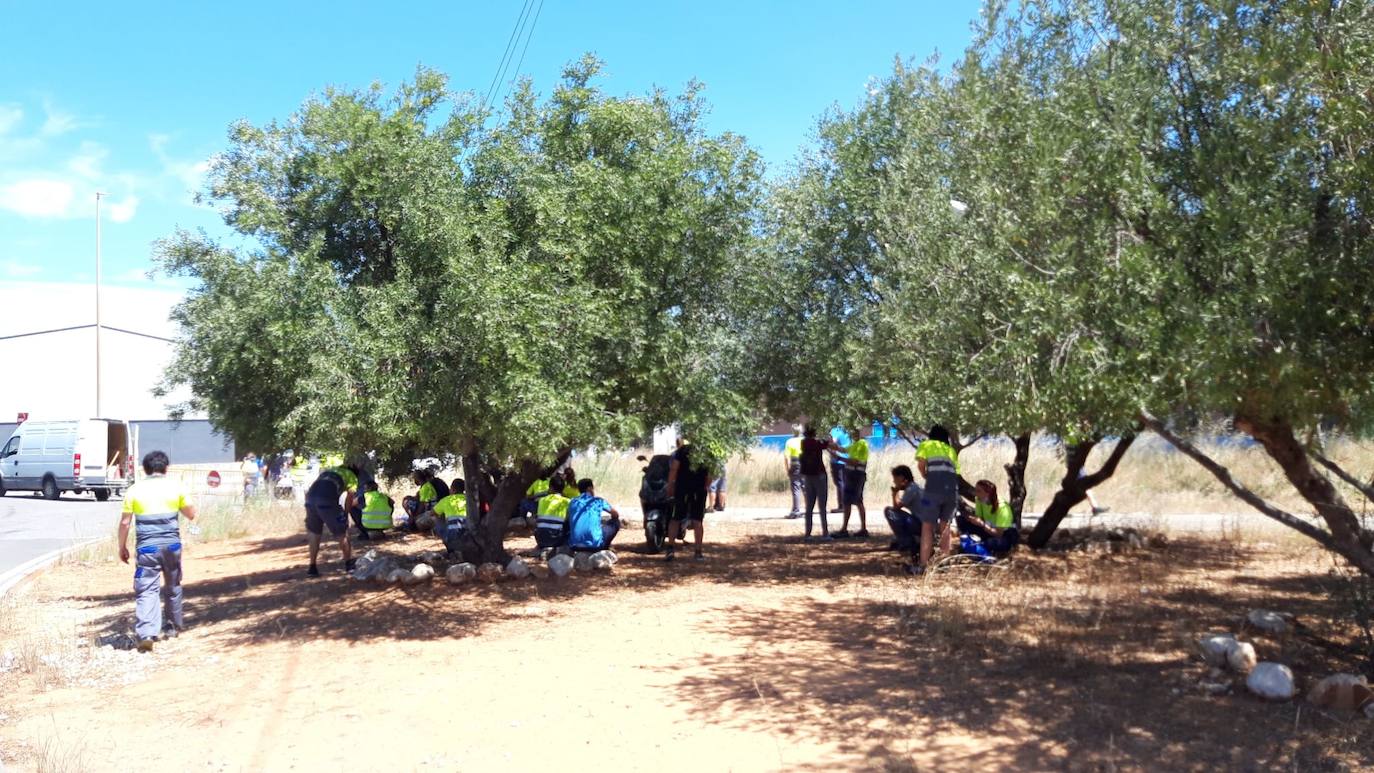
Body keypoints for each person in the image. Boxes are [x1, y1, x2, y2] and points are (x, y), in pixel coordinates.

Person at [118, 450, 198, 653]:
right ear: (166, 468)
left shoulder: (134, 490)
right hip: (172, 547)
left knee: (147, 589)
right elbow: (191, 514)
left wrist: (122, 547)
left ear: (145, 469)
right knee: (173, 585)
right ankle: (172, 627)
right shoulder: (176, 487)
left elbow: (125, 522)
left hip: (147, 548)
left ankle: (146, 634)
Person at [913, 425, 961, 572]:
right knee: (945, 527)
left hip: (933, 490)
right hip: (952, 492)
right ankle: (945, 564)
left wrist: (926, 475)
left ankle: (923, 565)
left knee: (927, 527)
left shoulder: (926, 445)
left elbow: (921, 465)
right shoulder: (951, 450)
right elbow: (956, 472)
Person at [304, 462, 359, 577]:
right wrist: (346, 514)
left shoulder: (329, 471)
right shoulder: (352, 476)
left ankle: (312, 567)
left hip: (310, 499)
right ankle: (349, 564)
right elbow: (350, 497)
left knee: (314, 533)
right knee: (342, 532)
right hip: (327, 500)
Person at [666, 438, 710, 561]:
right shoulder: (707, 452)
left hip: (682, 490)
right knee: (697, 521)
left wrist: (670, 485)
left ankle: (670, 549)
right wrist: (705, 487)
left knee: (675, 518)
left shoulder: (682, 451)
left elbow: (674, 469)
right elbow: (710, 474)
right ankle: (698, 552)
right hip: (698, 491)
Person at [958, 479, 1021, 555]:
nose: (975, 493)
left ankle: (982, 547)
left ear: (988, 493)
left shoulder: (1002, 507)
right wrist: (971, 519)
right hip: (988, 529)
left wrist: (983, 525)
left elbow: (998, 534)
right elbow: (980, 518)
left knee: (992, 543)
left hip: (1004, 534)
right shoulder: (979, 500)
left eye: (979, 491)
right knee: (961, 519)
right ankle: (975, 543)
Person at [834, 428, 870, 538]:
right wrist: (829, 446)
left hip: (856, 475)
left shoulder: (862, 443)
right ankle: (846, 528)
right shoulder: (855, 444)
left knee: (856, 501)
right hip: (851, 475)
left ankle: (861, 529)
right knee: (849, 501)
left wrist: (840, 458)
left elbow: (855, 461)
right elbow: (843, 449)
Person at [566, 478, 622, 551]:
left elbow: (568, 518)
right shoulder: (597, 501)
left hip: (574, 545)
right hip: (594, 545)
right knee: (615, 522)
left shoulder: (573, 501)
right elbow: (616, 514)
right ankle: (605, 548)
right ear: (589, 488)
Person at [799, 426, 833, 541]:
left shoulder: (803, 443)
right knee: (822, 505)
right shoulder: (817, 443)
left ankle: (808, 534)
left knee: (809, 506)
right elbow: (827, 443)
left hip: (808, 475)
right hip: (819, 475)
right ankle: (825, 533)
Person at [883, 465, 923, 554]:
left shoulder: (910, 489)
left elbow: (896, 508)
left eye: (895, 478)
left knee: (889, 512)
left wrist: (894, 494)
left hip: (921, 524)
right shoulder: (914, 487)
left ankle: (906, 542)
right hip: (924, 523)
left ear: (901, 477)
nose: (894, 481)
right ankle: (907, 540)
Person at [433, 481, 477, 560]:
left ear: (453, 489)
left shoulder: (446, 500)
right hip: (470, 533)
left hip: (452, 535)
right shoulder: (469, 499)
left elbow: (433, 513)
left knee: (436, 519)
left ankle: (451, 550)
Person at [534, 475, 572, 550]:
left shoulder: (542, 500)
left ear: (550, 487)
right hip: (556, 540)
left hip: (540, 540)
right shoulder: (567, 501)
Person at [828, 427, 850, 513]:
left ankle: (842, 505)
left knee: (839, 483)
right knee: (843, 482)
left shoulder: (835, 430)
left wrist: (828, 448)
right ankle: (845, 504)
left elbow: (833, 441)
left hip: (838, 460)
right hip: (847, 460)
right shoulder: (846, 430)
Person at [783, 429, 804, 518]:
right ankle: (809, 510)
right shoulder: (804, 440)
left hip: (795, 465)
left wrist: (787, 469)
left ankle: (796, 511)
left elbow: (786, 457)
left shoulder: (790, 442)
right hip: (805, 464)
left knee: (796, 488)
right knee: (805, 488)